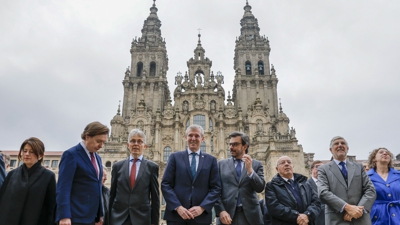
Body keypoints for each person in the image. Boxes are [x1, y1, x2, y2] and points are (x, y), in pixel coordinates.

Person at [161, 124, 221, 225]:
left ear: (202, 138)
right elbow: (165, 184)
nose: (193, 138)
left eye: (197, 136)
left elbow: (216, 188)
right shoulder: (174, 157)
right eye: (190, 135)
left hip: (201, 217)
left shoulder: (211, 160)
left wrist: (202, 207)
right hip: (176, 216)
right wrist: (178, 207)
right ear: (185, 138)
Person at [56, 121, 109, 225]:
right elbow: (63, 188)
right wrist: (64, 216)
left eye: (103, 142)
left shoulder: (97, 158)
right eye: (98, 141)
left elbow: (98, 187)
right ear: (87, 136)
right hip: (75, 216)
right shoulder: (71, 155)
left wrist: (100, 214)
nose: (101, 145)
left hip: (92, 218)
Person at [318, 136, 376, 224]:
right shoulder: (323, 169)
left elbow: (370, 190)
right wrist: (347, 207)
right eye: (336, 144)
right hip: (337, 219)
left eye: (343, 143)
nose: (340, 145)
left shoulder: (359, 167)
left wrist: (357, 210)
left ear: (347, 148)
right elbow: (323, 192)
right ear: (331, 150)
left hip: (360, 218)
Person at [0, 137, 56, 225]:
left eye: (31, 151)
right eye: (24, 151)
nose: (27, 154)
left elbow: (51, 207)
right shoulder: (12, 174)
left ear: (40, 155)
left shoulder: (48, 176)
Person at [109, 129, 160, 225]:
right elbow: (112, 194)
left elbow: (155, 198)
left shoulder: (152, 167)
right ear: (128, 145)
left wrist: (154, 222)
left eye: (139, 141)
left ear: (145, 146)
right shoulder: (117, 166)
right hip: (119, 218)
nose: (136, 144)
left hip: (142, 219)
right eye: (132, 141)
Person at [214, 131, 265, 225]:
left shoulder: (256, 164)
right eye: (230, 144)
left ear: (245, 146)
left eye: (235, 144)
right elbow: (215, 190)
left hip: (251, 217)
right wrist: (220, 211)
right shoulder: (220, 164)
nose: (231, 148)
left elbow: (260, 188)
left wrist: (250, 171)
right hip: (227, 216)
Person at [265, 156, 321, 225]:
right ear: (277, 169)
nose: (286, 164)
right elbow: (274, 207)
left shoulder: (305, 182)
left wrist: (307, 215)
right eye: (282, 163)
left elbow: (316, 202)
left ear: (293, 166)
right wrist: (296, 216)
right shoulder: (271, 186)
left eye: (289, 162)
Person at [367, 148, 400, 224]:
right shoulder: (366, 177)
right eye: (381, 152)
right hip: (378, 217)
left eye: (387, 153)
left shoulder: (398, 175)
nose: (385, 153)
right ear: (374, 159)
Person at [306, 160, 325, 225]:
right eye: (317, 167)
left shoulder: (329, 184)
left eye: (322, 168)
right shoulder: (306, 185)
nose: (320, 169)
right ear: (311, 170)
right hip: (316, 220)